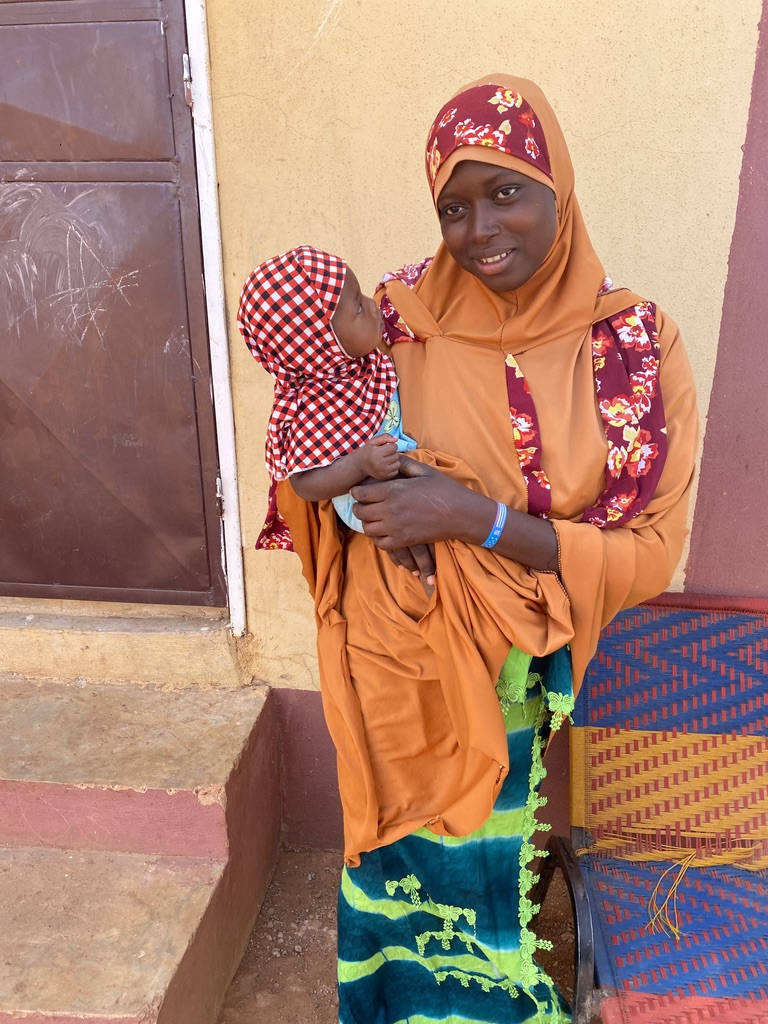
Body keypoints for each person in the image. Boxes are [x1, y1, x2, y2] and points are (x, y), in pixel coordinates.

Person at [271, 75, 699, 1023]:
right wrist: (358, 496)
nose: (480, 229)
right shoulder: (386, 321)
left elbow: (650, 551)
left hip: (528, 674)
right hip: (395, 671)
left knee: (494, 895)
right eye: (453, 207)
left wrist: (474, 521)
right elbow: (299, 458)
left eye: (506, 190)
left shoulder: (632, 348)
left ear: (558, 184)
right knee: (398, 886)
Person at [237, 245, 424, 551]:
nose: (372, 306)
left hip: (406, 469)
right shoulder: (312, 406)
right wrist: (360, 464)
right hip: (368, 499)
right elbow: (304, 484)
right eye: (359, 308)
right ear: (321, 343)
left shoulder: (363, 363)